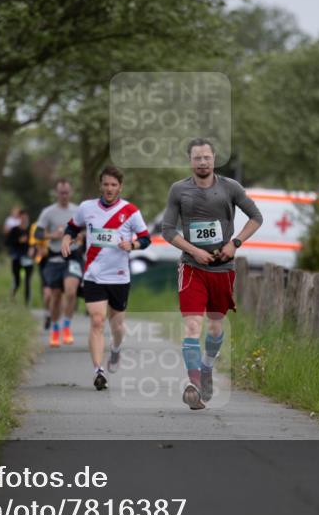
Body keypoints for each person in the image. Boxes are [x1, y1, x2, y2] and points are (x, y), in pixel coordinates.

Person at [161, 138, 263, 410]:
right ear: (190, 161)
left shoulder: (230, 187)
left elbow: (256, 218)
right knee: (193, 325)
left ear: (214, 158)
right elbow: (168, 230)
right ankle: (193, 384)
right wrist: (193, 251)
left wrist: (235, 243)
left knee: (216, 325)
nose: (202, 162)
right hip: (192, 267)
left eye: (206, 157)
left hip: (222, 268)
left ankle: (206, 368)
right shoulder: (179, 190)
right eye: (197, 158)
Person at [61, 166, 150, 390]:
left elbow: (146, 239)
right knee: (97, 320)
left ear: (120, 187)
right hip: (93, 274)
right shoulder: (87, 207)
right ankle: (98, 371)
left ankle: (116, 349)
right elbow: (72, 227)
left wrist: (133, 244)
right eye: (106, 184)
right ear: (100, 185)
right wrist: (66, 239)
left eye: (114, 185)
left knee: (117, 326)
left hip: (119, 276)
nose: (109, 188)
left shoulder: (130, 211)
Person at [34, 180, 82, 348]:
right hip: (54, 257)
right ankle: (55, 330)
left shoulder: (77, 210)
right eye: (61, 192)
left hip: (73, 257)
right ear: (56, 193)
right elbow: (38, 233)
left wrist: (78, 236)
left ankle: (66, 327)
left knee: (70, 291)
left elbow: (85, 229)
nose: (64, 196)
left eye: (66, 192)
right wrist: (52, 235)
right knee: (55, 296)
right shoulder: (48, 212)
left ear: (71, 192)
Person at [29, 218, 52, 329]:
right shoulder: (36, 226)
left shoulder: (63, 224)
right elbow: (34, 245)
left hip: (61, 261)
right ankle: (48, 314)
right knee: (47, 292)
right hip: (45, 261)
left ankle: (57, 317)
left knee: (59, 293)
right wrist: (38, 251)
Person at [6, 209, 33, 305]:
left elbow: (35, 243)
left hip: (28, 259)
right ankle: (12, 296)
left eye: (26, 217)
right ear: (19, 218)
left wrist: (33, 250)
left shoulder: (31, 230)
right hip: (17, 258)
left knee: (28, 281)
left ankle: (27, 302)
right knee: (17, 280)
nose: (24, 219)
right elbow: (7, 242)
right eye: (22, 217)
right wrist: (18, 240)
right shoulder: (14, 230)